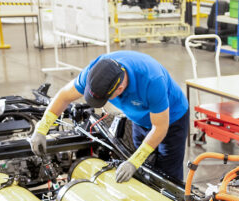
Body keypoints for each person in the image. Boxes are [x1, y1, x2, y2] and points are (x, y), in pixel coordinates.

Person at [30, 51, 190, 182]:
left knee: (168, 177)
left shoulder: (152, 80)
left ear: (120, 89)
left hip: (171, 121)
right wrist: (42, 128)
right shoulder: (96, 71)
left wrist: (134, 162)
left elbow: (160, 127)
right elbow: (64, 96)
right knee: (144, 170)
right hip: (139, 120)